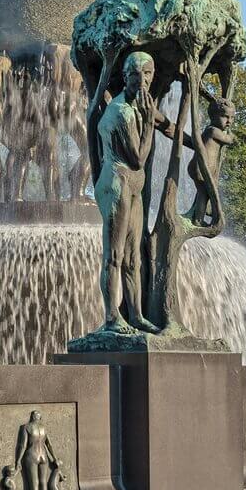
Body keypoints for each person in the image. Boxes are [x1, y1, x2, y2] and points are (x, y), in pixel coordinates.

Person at [93, 52, 161, 336]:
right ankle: (112, 317)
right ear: (125, 77)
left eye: (147, 74)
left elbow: (166, 125)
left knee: (134, 257)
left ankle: (136, 315)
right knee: (115, 255)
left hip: (133, 188)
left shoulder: (138, 106)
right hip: (117, 182)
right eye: (136, 74)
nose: (142, 80)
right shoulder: (122, 111)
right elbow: (137, 159)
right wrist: (149, 123)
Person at [183, 94, 235, 226]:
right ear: (213, 117)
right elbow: (229, 140)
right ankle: (198, 219)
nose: (229, 121)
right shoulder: (213, 131)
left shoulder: (210, 130)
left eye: (232, 117)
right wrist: (231, 135)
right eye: (225, 117)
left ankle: (205, 211)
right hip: (201, 168)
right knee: (203, 193)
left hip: (202, 168)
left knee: (205, 192)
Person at [13, 410, 59, 490]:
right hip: (43, 456)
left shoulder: (26, 427)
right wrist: (55, 458)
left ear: (32, 417)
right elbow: (49, 444)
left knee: (34, 481)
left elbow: (23, 445)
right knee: (43, 481)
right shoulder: (44, 428)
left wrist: (18, 460)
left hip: (32, 455)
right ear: (39, 418)